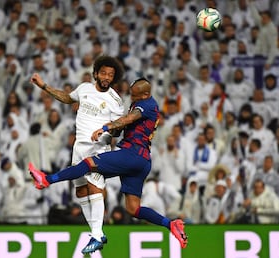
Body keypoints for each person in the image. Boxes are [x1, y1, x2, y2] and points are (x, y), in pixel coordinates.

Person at [28, 78, 188, 252]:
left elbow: (129, 119)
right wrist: (114, 129)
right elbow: (127, 125)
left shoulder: (148, 104)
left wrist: (105, 128)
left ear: (146, 94)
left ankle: (47, 180)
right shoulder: (140, 103)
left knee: (89, 163)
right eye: (131, 94)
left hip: (132, 154)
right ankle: (171, 225)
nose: (132, 97)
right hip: (142, 160)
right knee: (133, 208)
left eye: (135, 95)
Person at [29, 55, 125, 254]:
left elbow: (119, 129)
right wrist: (43, 86)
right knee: (80, 192)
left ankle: (97, 234)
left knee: (94, 187)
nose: (107, 77)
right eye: (104, 73)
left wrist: (108, 130)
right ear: (96, 73)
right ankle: (96, 233)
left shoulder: (116, 101)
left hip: (98, 149)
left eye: (111, 75)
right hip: (79, 147)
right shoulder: (84, 88)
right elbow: (66, 98)